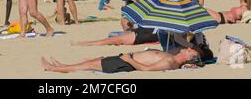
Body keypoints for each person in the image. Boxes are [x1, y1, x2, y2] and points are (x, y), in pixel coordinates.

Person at [41, 48, 202, 74]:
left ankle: (53, 69)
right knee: (95, 60)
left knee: (89, 65)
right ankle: (62, 66)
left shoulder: (170, 63)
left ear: (188, 57)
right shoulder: (171, 56)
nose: (187, 48)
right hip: (125, 58)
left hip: (124, 63)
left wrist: (128, 60)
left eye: (190, 50)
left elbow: (145, 70)